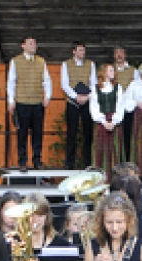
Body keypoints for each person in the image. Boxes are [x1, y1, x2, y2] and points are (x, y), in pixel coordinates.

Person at [7, 36, 52, 171]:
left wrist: (47, 96)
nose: (34, 45)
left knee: (38, 133)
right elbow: (11, 82)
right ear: (23, 45)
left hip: (37, 102)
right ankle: (22, 161)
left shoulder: (41, 61)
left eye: (34, 43)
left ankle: (37, 160)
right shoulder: (16, 61)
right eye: (30, 43)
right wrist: (11, 100)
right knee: (22, 133)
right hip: (22, 102)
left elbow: (47, 80)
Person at [60, 41, 96, 170]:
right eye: (80, 50)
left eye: (83, 50)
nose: (82, 53)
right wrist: (76, 97)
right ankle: (70, 162)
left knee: (88, 133)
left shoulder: (90, 64)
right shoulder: (66, 64)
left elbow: (93, 83)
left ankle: (88, 162)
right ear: (74, 51)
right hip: (72, 102)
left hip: (87, 101)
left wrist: (87, 97)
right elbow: (64, 84)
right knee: (72, 132)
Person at [89, 62, 125, 176]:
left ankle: (115, 177)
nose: (113, 72)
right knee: (101, 149)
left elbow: (120, 106)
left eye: (113, 70)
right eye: (110, 70)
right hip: (101, 122)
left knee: (115, 150)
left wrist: (113, 121)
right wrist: (104, 121)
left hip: (114, 121)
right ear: (103, 73)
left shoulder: (117, 88)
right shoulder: (95, 88)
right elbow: (94, 107)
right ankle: (100, 176)